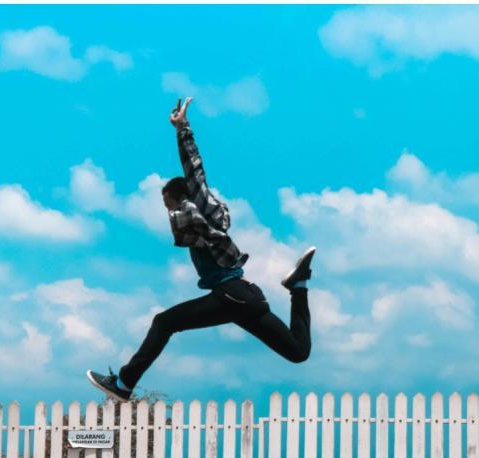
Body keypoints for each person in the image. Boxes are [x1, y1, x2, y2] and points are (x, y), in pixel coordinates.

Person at [87, 97, 315, 402]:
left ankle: (124, 385)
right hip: (244, 297)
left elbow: (195, 170)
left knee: (163, 322)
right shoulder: (196, 221)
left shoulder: (200, 206)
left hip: (232, 294)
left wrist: (182, 128)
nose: (167, 209)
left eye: (166, 201)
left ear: (177, 194)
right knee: (297, 352)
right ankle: (297, 285)